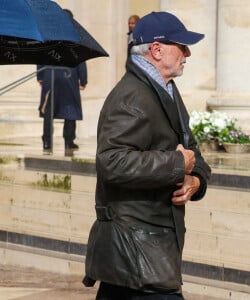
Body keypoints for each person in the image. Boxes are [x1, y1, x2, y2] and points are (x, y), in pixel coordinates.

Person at [83, 11, 211, 300]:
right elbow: (111, 161)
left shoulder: (165, 89)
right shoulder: (132, 95)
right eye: (182, 46)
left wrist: (195, 182)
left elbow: (194, 153)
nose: (188, 53)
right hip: (137, 250)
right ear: (157, 49)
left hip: (147, 248)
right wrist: (177, 164)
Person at [37, 9, 88, 151]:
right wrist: (83, 80)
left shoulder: (48, 33)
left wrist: (40, 75)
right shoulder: (75, 36)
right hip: (69, 76)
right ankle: (69, 141)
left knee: (49, 110)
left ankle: (47, 142)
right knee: (70, 109)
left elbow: (41, 54)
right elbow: (81, 59)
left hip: (50, 74)